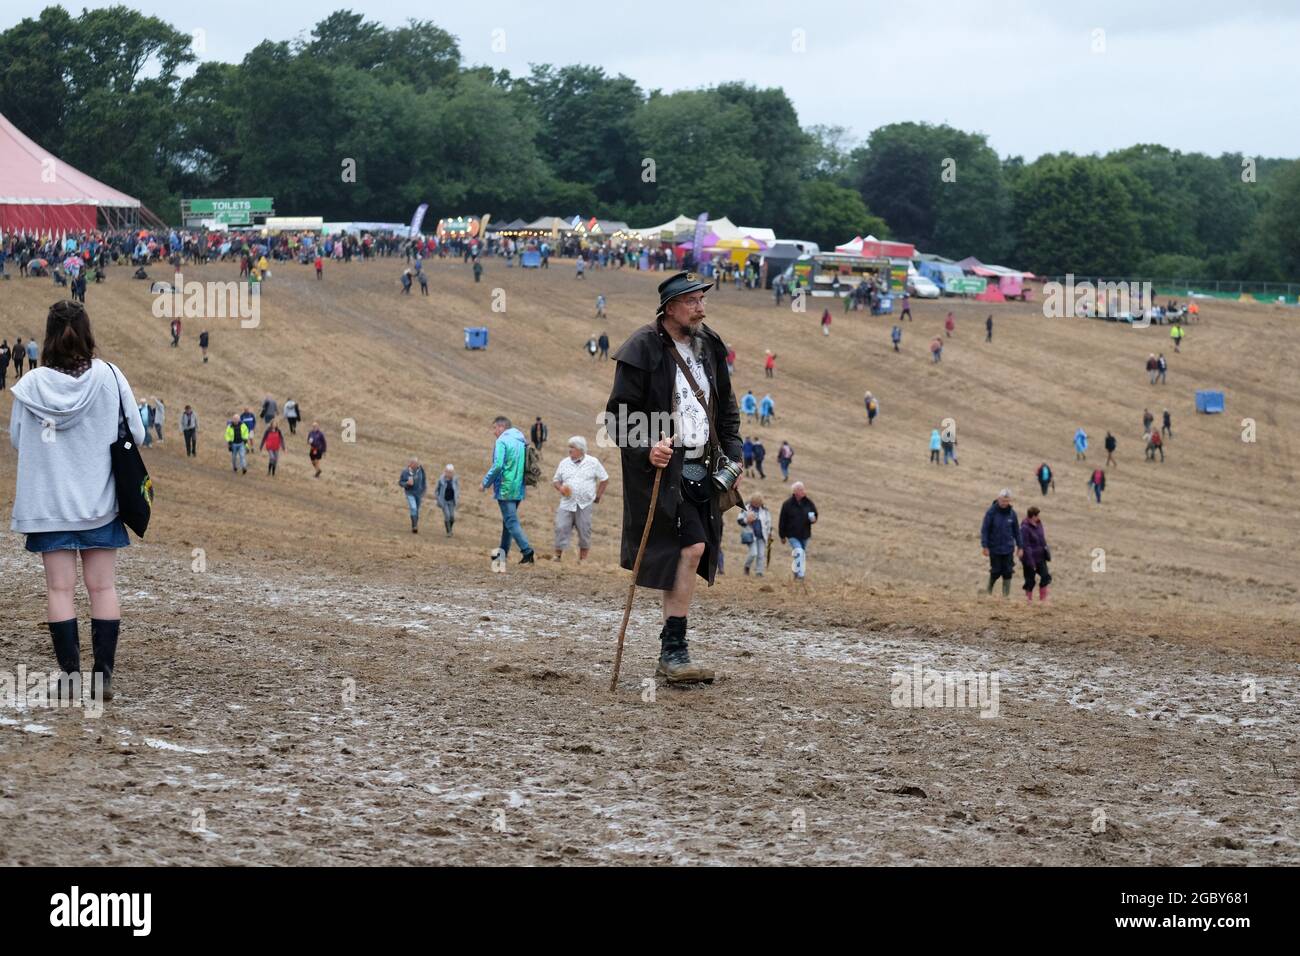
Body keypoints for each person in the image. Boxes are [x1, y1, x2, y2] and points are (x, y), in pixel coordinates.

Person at [605, 270, 743, 684]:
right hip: (666, 470)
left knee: (695, 551)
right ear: (669, 308)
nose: (700, 307)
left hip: (706, 466)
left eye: (702, 299)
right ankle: (674, 652)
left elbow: (728, 409)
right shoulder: (642, 348)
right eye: (691, 301)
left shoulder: (710, 345)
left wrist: (733, 456)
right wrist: (648, 446)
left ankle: (673, 651)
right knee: (692, 547)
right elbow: (617, 419)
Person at [9, 300, 144, 703]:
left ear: (48, 335)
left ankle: (69, 679)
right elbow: (135, 433)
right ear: (86, 332)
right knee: (102, 587)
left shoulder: (30, 386)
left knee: (59, 591)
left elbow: (18, 439)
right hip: (98, 500)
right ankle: (102, 677)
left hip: (49, 505)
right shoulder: (110, 376)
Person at [481, 415, 535, 563]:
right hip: (519, 487)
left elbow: (498, 465)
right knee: (508, 522)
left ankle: (527, 551)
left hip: (505, 487)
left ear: (501, 427)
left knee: (511, 521)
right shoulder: (521, 440)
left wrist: (485, 483)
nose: (494, 432)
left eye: (494, 428)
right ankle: (502, 554)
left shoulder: (502, 441)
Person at [551, 436, 609, 562]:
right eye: (569, 447)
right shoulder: (564, 463)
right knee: (561, 527)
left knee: (584, 530)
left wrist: (598, 496)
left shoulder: (593, 462)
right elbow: (556, 481)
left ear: (581, 450)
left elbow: (604, 479)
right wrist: (560, 488)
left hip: (584, 504)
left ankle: (583, 559)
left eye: (573, 447)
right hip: (566, 503)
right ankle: (557, 556)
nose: (570, 450)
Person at [980, 489, 1022, 597]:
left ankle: (1005, 596)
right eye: (1003, 500)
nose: (1005, 503)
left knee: (1008, 572)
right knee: (996, 571)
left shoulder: (1012, 514)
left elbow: (1017, 531)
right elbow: (985, 530)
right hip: (994, 548)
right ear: (998, 499)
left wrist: (1020, 546)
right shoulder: (991, 513)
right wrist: (985, 546)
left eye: (1007, 501)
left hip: (1008, 548)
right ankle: (988, 590)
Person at [778, 482, 818, 581]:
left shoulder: (809, 503)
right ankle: (801, 575)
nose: (804, 491)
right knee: (799, 552)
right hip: (792, 534)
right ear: (795, 492)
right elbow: (782, 520)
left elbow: (815, 514)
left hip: (805, 534)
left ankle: (796, 572)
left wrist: (814, 519)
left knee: (800, 554)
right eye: (801, 490)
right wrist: (782, 536)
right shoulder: (787, 504)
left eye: (803, 489)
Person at [1020, 506, 1052, 604]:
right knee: (1030, 580)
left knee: (1045, 576)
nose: (1039, 517)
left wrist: (1046, 551)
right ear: (1032, 516)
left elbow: (1042, 539)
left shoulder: (1039, 523)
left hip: (1041, 557)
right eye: (1037, 515)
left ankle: (1043, 600)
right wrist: (1031, 562)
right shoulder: (1024, 528)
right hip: (1029, 558)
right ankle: (1028, 600)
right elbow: (1026, 546)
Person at [737, 494, 771, 576]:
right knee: (753, 553)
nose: (756, 504)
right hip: (750, 535)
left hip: (762, 536)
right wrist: (747, 520)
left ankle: (759, 572)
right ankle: (747, 566)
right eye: (755, 503)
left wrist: (769, 533)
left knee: (761, 555)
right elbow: (739, 520)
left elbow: (768, 523)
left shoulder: (765, 510)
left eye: (758, 503)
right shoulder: (746, 508)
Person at [398, 457, 427, 532]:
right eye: (414, 464)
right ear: (410, 464)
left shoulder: (421, 470)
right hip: (410, 493)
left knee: (416, 509)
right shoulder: (405, 472)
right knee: (413, 508)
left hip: (419, 493)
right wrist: (406, 483)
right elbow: (400, 482)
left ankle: (415, 525)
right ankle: (414, 526)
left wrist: (423, 490)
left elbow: (424, 480)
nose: (416, 465)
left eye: (417, 464)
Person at [434, 464, 460, 536]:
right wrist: (438, 498)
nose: (449, 474)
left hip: (452, 501)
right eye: (448, 472)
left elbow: (457, 489)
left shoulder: (455, 480)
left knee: (452, 517)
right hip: (444, 501)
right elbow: (436, 490)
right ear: (445, 472)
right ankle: (448, 532)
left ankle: (450, 529)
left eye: (451, 472)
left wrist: (457, 496)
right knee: (447, 516)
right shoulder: (441, 480)